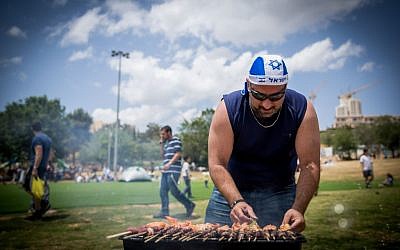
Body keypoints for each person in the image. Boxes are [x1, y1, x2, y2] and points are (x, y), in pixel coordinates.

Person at [204, 54, 320, 232]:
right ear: (248, 84)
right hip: (230, 190)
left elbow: (309, 165)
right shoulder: (228, 108)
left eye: (276, 96)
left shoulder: (302, 108)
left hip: (279, 190)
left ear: (285, 87)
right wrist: (237, 200)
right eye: (259, 95)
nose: (266, 105)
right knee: (212, 241)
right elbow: (217, 164)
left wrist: (298, 209)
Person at [153, 125, 196, 219]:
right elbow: (163, 156)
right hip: (166, 171)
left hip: (173, 170)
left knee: (174, 191)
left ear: (169, 132)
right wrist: (161, 144)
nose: (162, 136)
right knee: (162, 191)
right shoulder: (167, 143)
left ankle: (189, 205)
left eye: (163, 134)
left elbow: (178, 153)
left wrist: (169, 164)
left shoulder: (176, 140)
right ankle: (164, 211)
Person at [23, 121, 52, 219]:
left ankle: (40, 207)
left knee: (30, 187)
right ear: (41, 128)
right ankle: (39, 207)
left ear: (32, 128)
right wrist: (48, 163)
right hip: (43, 166)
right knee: (34, 188)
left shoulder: (37, 139)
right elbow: (51, 152)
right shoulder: (47, 138)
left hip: (37, 166)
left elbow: (39, 153)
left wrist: (35, 168)